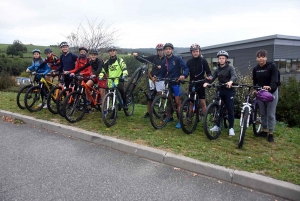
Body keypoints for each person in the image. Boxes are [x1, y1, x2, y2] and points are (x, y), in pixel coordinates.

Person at [203, 50, 237, 136]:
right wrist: (207, 81)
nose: (221, 60)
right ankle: (217, 126)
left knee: (230, 109)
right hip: (220, 89)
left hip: (229, 90)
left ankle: (231, 128)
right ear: (218, 59)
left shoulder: (230, 68)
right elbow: (212, 77)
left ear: (226, 59)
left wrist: (231, 81)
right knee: (218, 108)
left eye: (223, 58)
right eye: (220, 58)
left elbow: (234, 76)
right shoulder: (216, 69)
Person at [159, 43, 189, 129]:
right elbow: (162, 73)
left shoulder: (177, 59)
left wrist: (184, 75)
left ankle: (180, 120)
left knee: (177, 102)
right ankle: (170, 117)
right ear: (164, 50)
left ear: (172, 50)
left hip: (176, 83)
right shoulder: (164, 61)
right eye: (166, 49)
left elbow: (186, 68)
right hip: (168, 83)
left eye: (169, 49)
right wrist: (158, 77)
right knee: (168, 101)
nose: (168, 50)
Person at [132, 43, 165, 118]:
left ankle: (165, 112)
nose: (160, 51)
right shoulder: (154, 57)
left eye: (161, 50)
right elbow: (144, 59)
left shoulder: (166, 59)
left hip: (161, 79)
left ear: (163, 50)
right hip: (152, 78)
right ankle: (149, 112)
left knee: (161, 95)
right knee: (149, 95)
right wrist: (137, 56)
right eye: (158, 50)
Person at [252, 50, 279, 143]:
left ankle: (271, 133)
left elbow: (275, 79)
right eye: (259, 57)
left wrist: (270, 87)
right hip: (261, 92)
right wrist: (255, 89)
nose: (261, 59)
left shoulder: (272, 66)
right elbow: (255, 81)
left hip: (272, 92)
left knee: (270, 113)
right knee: (263, 112)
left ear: (266, 58)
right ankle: (264, 130)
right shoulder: (255, 69)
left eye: (263, 57)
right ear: (256, 58)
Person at [71, 48, 106, 112]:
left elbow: (99, 70)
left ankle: (105, 108)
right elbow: (83, 67)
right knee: (86, 86)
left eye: (94, 55)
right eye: (92, 55)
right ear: (90, 55)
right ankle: (88, 102)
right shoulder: (90, 61)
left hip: (102, 76)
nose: (93, 56)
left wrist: (94, 74)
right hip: (95, 76)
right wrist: (74, 73)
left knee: (101, 91)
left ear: (96, 55)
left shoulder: (99, 61)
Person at [186, 43, 212, 115]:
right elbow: (186, 72)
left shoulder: (203, 61)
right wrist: (182, 77)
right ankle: (189, 118)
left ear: (199, 51)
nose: (195, 53)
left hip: (201, 83)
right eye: (193, 52)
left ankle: (205, 120)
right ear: (191, 52)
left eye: (197, 51)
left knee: (202, 102)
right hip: (192, 83)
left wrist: (209, 78)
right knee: (190, 102)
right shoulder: (189, 62)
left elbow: (209, 73)